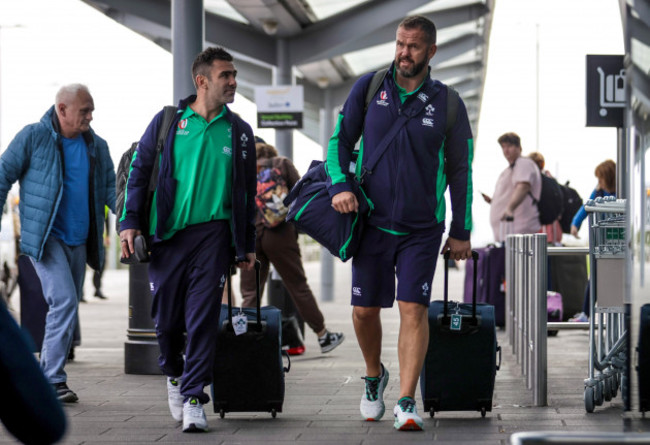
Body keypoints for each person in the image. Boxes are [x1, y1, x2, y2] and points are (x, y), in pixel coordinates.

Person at [326, 16, 473, 431]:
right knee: (362, 311)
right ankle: (374, 377)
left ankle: (406, 401)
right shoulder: (370, 88)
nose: (403, 53)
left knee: (414, 308)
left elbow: (462, 170)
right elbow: (340, 140)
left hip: (422, 229)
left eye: (413, 46)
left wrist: (461, 230)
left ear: (431, 52)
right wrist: (339, 184)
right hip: (371, 221)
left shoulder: (448, 103)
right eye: (399, 44)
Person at [119, 46, 256, 433]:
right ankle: (175, 374)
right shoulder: (167, 122)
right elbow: (139, 172)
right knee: (166, 322)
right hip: (169, 237)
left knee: (201, 318)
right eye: (225, 75)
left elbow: (247, 191)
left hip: (213, 235)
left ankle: (195, 396)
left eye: (234, 75)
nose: (233, 82)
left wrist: (246, 244)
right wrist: (130, 222)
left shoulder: (239, 131)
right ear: (202, 81)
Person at [0, 83, 116, 403]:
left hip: (80, 240)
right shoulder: (33, 136)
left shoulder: (97, 145)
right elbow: (2, 175)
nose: (90, 117)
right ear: (62, 110)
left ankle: (49, 375)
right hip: (46, 236)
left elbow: (111, 191)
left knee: (67, 304)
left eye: (92, 110)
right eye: (85, 111)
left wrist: (135, 221)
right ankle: (51, 380)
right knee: (64, 301)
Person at [239, 138, 345, 354]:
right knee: (298, 286)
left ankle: (244, 341)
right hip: (280, 235)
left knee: (250, 292)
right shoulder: (282, 163)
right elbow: (301, 193)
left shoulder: (245, 168)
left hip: (251, 236)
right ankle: (323, 336)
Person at [568, 159, 616, 322]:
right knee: (594, 278)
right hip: (601, 241)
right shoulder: (599, 192)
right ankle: (586, 313)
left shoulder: (619, 192)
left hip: (615, 242)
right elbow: (586, 207)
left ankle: (604, 316)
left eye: (601, 178)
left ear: (608, 178)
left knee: (608, 279)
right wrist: (575, 223)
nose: (599, 182)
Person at [483, 132, 542, 242]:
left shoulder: (523, 163)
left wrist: (509, 209)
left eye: (509, 146)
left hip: (519, 231)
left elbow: (523, 186)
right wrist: (494, 202)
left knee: (521, 259)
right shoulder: (511, 168)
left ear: (519, 147)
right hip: (509, 232)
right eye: (503, 147)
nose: (506, 150)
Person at [528, 151, 563, 245]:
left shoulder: (528, 184)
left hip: (534, 229)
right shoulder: (552, 181)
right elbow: (560, 203)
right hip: (551, 229)